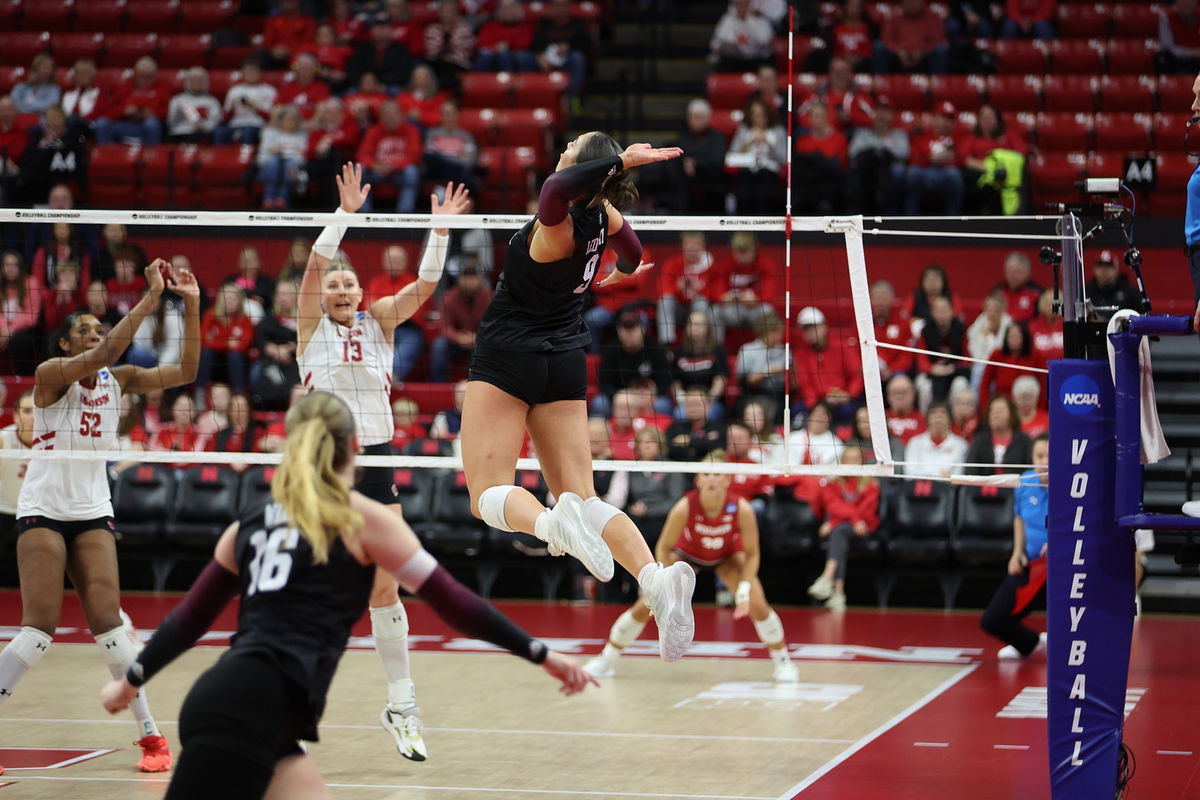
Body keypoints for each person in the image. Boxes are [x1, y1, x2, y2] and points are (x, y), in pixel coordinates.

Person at [99, 390, 595, 798]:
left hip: (237, 705)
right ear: (355, 445)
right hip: (251, 711)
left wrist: (131, 680)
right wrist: (542, 655)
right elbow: (454, 603)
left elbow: (190, 619)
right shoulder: (361, 518)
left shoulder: (250, 523)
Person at [463, 132, 698, 662]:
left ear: (581, 165)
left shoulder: (558, 219)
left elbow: (553, 187)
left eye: (574, 144)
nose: (565, 144)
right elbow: (635, 257)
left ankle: (552, 525)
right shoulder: (604, 215)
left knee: (485, 493)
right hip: (565, 358)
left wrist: (619, 159)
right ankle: (656, 582)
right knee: (585, 497)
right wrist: (612, 277)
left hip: (508, 356)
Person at [296, 163, 469, 760]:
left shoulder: (380, 324)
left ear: (362, 293)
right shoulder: (309, 328)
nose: (341, 290)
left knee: (384, 587)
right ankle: (285, 700)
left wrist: (438, 229)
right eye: (335, 286)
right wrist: (344, 216)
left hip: (376, 464)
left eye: (349, 285)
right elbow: (316, 265)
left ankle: (403, 704)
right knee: (311, 587)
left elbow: (424, 288)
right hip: (325, 467)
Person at [0, 258, 200, 775]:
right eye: (84, 329)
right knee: (37, 630)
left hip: (92, 511)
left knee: (112, 630)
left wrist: (192, 306)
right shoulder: (49, 378)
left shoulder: (120, 378)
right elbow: (109, 348)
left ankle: (153, 739)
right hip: (43, 509)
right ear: (65, 346)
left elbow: (187, 372)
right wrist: (153, 297)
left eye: (98, 327)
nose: (96, 334)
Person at [584, 452, 799, 682]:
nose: (713, 479)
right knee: (643, 606)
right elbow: (664, 548)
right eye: (706, 474)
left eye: (718, 474)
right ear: (698, 479)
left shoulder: (742, 508)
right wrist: (661, 581)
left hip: (726, 558)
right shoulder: (685, 507)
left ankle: (783, 661)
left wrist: (745, 588)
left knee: (758, 604)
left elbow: (753, 554)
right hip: (686, 557)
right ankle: (606, 659)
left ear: (728, 480)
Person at [981, 433, 1050, 659]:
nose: (1044, 462)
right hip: (1031, 566)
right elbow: (1019, 517)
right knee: (992, 620)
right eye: (1039, 456)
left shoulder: (1075, 485)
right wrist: (1016, 552)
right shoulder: (1025, 481)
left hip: (1064, 569)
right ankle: (1030, 643)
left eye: (1049, 456)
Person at [807, 445, 881, 611]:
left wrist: (832, 523)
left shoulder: (871, 483)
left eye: (856, 459)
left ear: (862, 462)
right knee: (840, 532)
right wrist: (850, 520)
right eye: (849, 459)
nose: (852, 463)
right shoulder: (833, 483)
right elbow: (833, 506)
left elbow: (866, 511)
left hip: (864, 528)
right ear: (842, 461)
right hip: (847, 528)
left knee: (838, 530)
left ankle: (827, 579)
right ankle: (837, 592)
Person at [966, 394, 1033, 475]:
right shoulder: (979, 441)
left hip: (1016, 486)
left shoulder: (1024, 441)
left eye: (1000, 411)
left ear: (1012, 414)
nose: (996, 415)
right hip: (984, 486)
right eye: (992, 411)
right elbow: (970, 472)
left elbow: (1030, 472)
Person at [902, 401, 967, 478]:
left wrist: (925, 473)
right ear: (927, 419)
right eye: (933, 413)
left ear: (950, 420)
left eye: (942, 414)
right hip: (918, 488)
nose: (938, 418)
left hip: (947, 488)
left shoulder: (961, 445)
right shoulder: (914, 442)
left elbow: (958, 475)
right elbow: (909, 473)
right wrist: (939, 475)